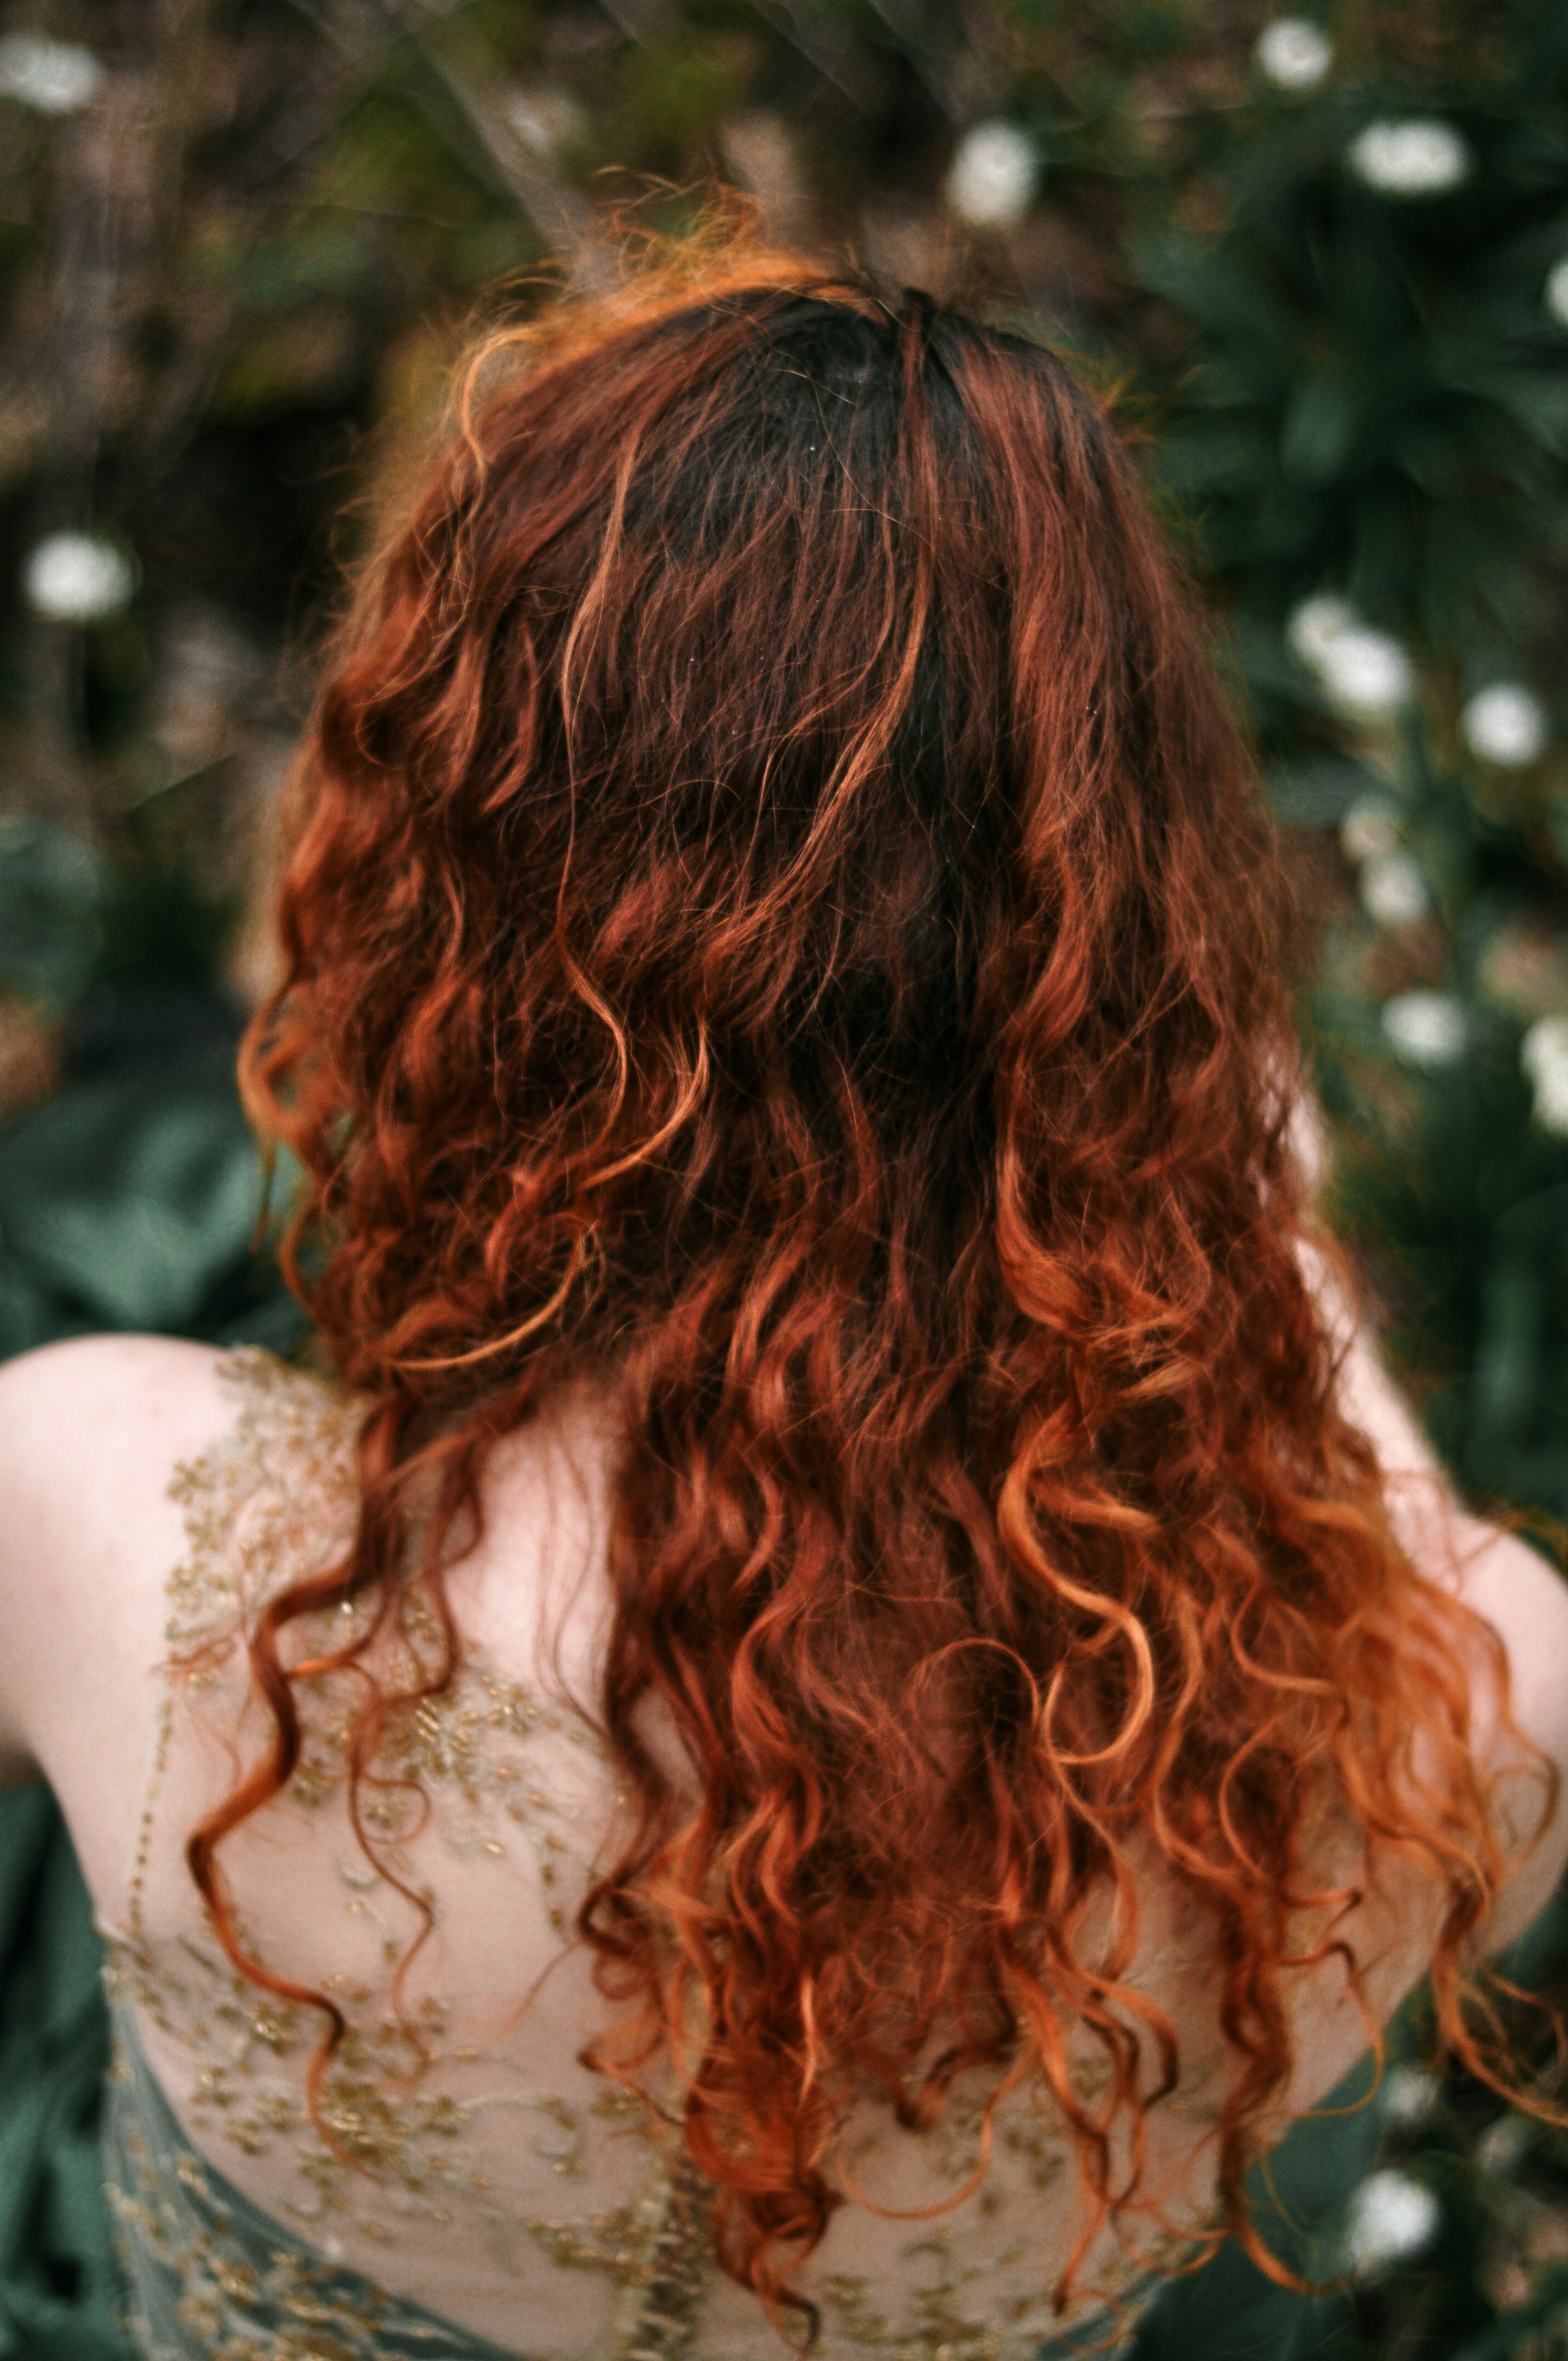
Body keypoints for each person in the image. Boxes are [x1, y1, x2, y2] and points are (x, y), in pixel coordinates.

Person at [1, 248, 1566, 2361]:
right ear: (1139, 931)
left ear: (453, 896)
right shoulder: (1445, 1726)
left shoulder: (108, 1506)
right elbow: (1408, 1530)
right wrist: (1218, 1160)